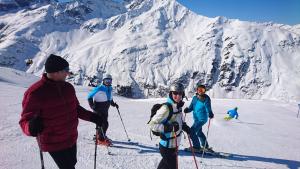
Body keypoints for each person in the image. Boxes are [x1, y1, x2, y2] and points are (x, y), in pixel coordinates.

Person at [19, 54, 103, 169]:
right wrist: (30, 127)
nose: (68, 73)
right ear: (55, 72)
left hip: (71, 137)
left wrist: (92, 117)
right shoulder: (35, 93)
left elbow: (76, 109)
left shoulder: (68, 88)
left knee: (72, 162)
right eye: (66, 70)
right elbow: (24, 121)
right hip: (53, 142)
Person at [149, 82, 191, 169]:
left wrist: (184, 126)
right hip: (167, 146)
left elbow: (178, 120)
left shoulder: (178, 106)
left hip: (174, 144)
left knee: (164, 165)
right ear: (171, 94)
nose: (178, 96)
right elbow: (152, 124)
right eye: (175, 93)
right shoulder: (166, 108)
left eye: (180, 93)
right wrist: (169, 128)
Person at [87, 73, 119, 145]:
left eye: (109, 81)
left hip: (105, 109)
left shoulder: (110, 89)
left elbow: (110, 98)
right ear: (103, 81)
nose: (108, 82)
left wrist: (113, 104)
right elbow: (89, 96)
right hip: (98, 108)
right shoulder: (99, 88)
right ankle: (100, 139)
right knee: (104, 124)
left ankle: (100, 135)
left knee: (101, 124)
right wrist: (92, 105)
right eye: (106, 81)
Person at [184, 84, 214, 152]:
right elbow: (191, 107)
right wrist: (187, 110)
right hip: (196, 118)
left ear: (205, 91)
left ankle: (196, 147)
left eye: (202, 90)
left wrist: (210, 113)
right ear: (197, 90)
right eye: (199, 89)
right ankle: (205, 146)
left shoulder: (206, 99)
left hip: (202, 119)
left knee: (192, 131)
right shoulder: (195, 98)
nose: (200, 91)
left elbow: (208, 107)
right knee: (199, 132)